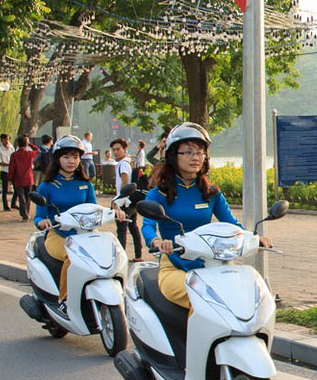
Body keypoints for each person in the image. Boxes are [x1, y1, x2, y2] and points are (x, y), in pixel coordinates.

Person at [140, 124, 268, 310]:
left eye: (200, 152)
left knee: (242, 296)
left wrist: (254, 238)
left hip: (211, 264)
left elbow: (231, 224)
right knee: (203, 298)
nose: (196, 157)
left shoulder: (210, 192)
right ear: (174, 155)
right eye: (188, 152)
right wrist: (156, 242)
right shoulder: (158, 194)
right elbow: (148, 225)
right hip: (175, 266)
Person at [33, 137, 98, 299]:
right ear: (57, 159)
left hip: (85, 235)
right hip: (58, 234)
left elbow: (94, 209)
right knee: (73, 256)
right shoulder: (47, 186)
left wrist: (114, 212)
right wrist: (42, 222)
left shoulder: (86, 185)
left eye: (75, 157)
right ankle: (65, 299)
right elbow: (39, 216)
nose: (71, 161)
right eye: (66, 157)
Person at [108, 138, 144, 260]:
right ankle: (138, 255)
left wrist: (118, 200)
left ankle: (121, 257)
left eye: (118, 149)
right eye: (113, 150)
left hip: (124, 201)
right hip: (131, 200)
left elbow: (124, 183)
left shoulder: (123, 164)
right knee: (133, 227)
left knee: (122, 230)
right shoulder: (128, 162)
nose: (115, 152)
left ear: (125, 149)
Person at [8, 137, 39, 221]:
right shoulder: (29, 153)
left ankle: (24, 215)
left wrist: (10, 179)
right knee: (28, 197)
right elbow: (37, 150)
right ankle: (27, 213)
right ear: (26, 144)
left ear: (18, 144)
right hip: (28, 178)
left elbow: (11, 168)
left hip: (18, 179)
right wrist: (30, 144)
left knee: (21, 197)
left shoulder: (14, 155)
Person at [0, 133, 15, 210]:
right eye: (5, 139)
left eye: (8, 139)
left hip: (12, 170)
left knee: (16, 187)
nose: (7, 141)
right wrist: (9, 164)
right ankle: (5, 205)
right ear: (2, 140)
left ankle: (13, 203)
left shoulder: (11, 148)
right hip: (4, 170)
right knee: (4, 189)